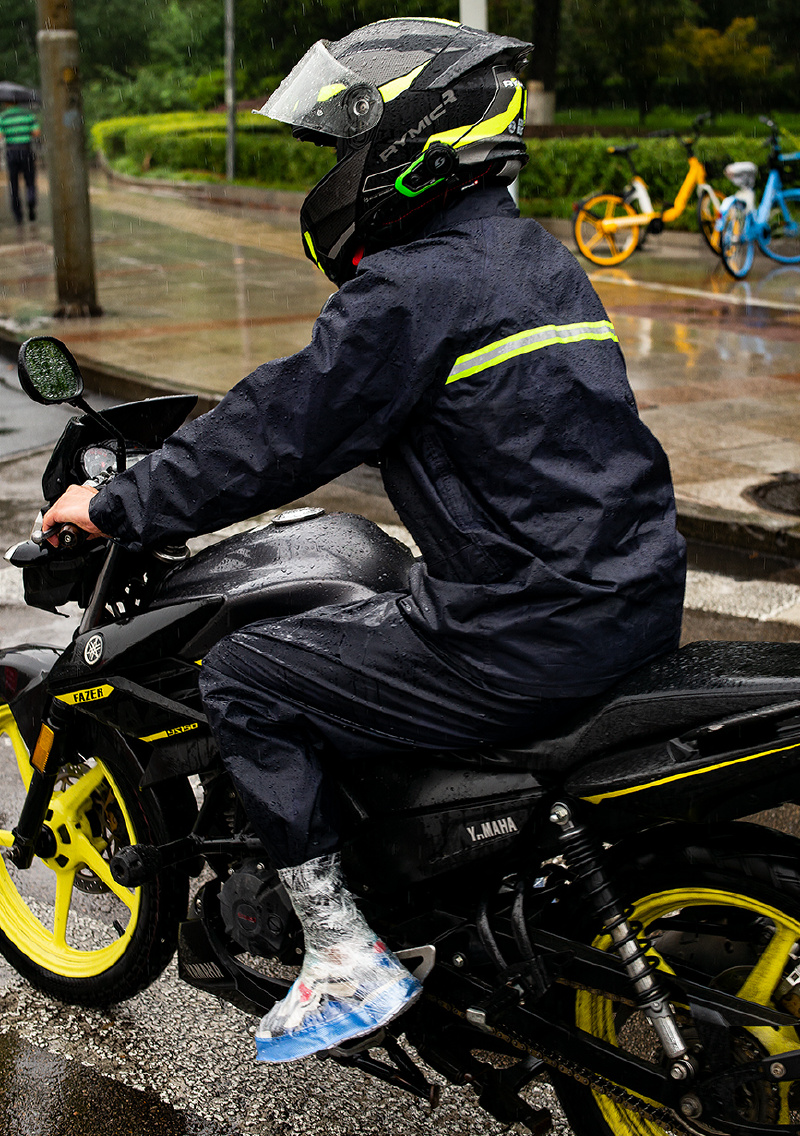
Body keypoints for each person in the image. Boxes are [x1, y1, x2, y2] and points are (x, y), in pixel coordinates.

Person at [42, 19, 686, 1064]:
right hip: (629, 594)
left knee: (251, 674)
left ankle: (343, 955)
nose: (339, 170)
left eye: (347, 145)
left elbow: (277, 432)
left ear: (413, 142)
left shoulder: (412, 290)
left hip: (526, 630)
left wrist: (112, 506)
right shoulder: (533, 261)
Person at [0, 100, 39, 226]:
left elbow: (0, 136)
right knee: (30, 181)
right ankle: (31, 203)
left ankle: (18, 216)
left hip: (12, 152)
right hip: (26, 150)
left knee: (14, 184)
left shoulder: (3, 116)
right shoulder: (28, 115)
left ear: (6, 103)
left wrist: (9, 132)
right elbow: (36, 133)